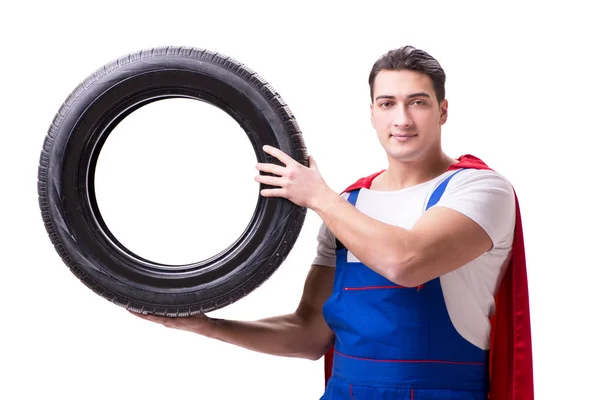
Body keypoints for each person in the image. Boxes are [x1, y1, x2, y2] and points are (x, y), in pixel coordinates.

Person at [132, 46, 534, 399]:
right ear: (372, 114)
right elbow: (309, 334)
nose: (403, 119)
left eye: (418, 102)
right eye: (387, 103)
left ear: (443, 110)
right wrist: (207, 325)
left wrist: (318, 197)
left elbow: (408, 262)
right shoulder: (350, 204)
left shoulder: (479, 189)